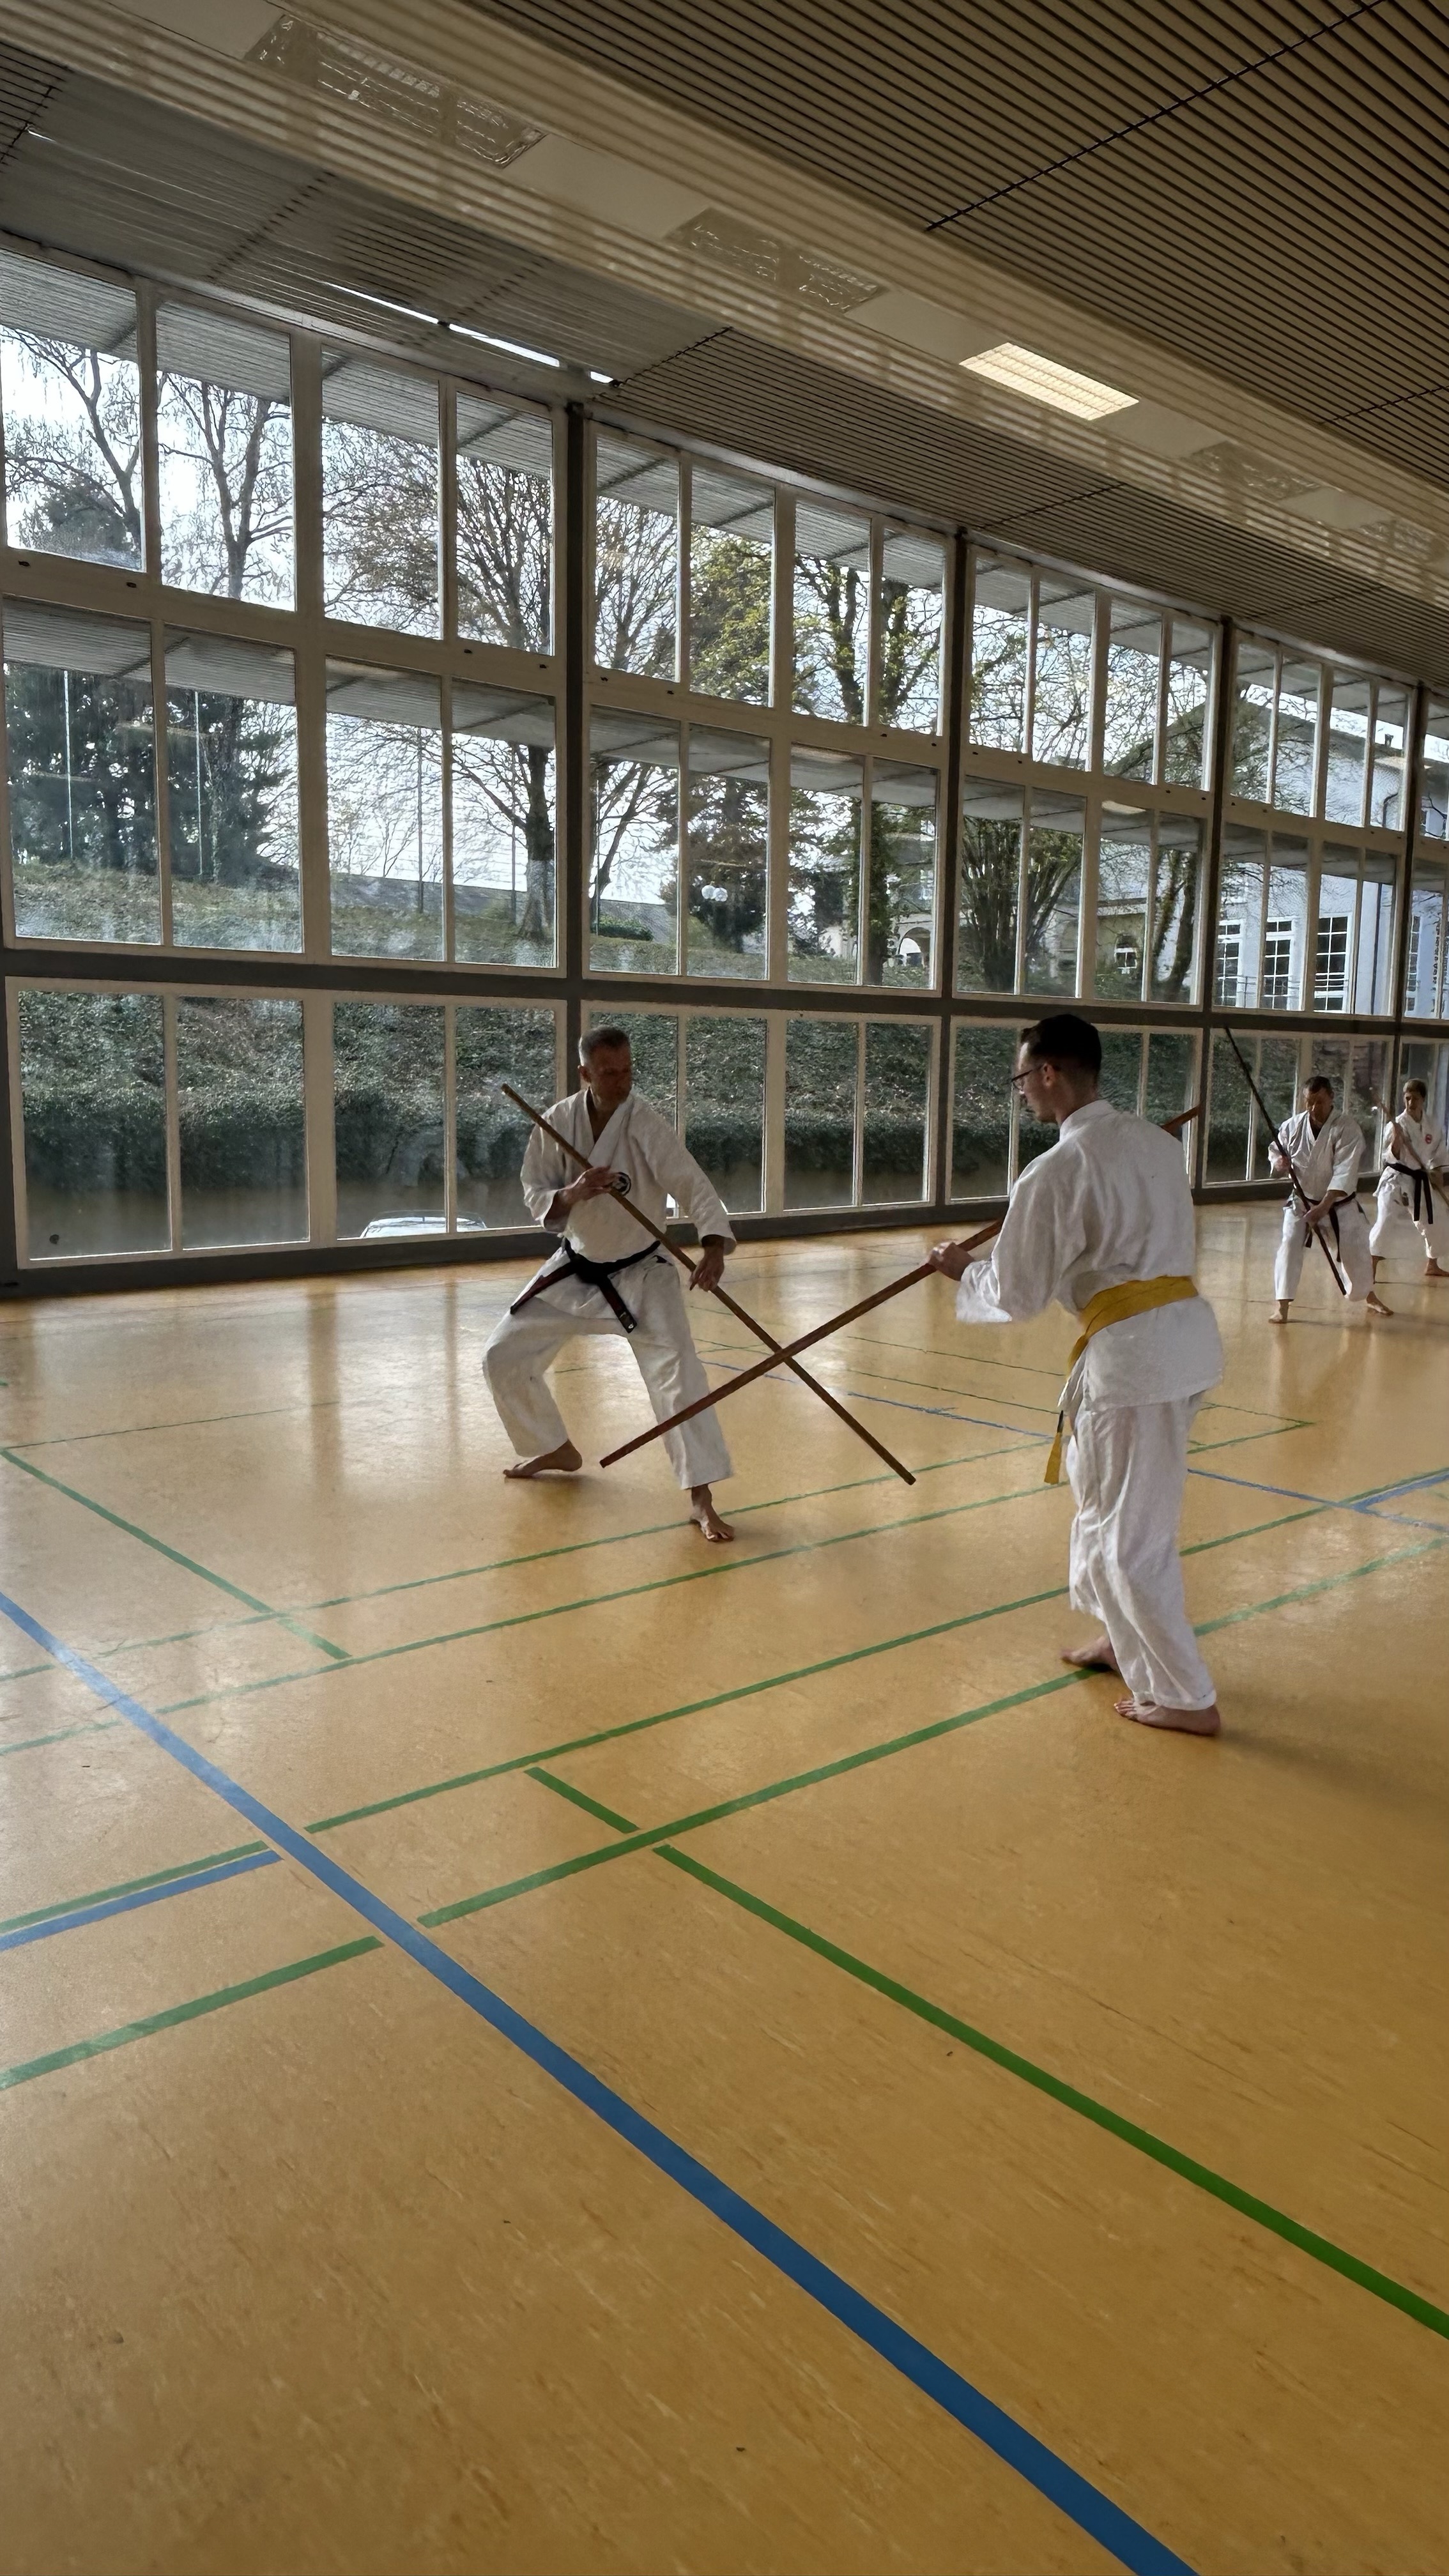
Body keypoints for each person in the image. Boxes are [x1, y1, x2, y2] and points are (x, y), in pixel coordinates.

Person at [928, 1013, 1223, 1736]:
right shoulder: (1156, 1145)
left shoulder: (1056, 1171)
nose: (1022, 1091)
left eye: (1022, 1078)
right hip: (1179, 1342)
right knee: (1100, 1501)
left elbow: (1020, 1292)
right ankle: (1121, 1641)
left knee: (1130, 1539)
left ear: (1050, 1072)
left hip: (1136, 1363)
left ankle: (1186, 1697)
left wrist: (965, 1269)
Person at [483, 1027, 737, 1542]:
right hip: (577, 1266)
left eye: (627, 1071)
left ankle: (702, 1498)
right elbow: (535, 1191)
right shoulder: (557, 1123)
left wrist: (713, 1246)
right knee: (502, 1355)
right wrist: (573, 1193)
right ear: (585, 1074)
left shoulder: (645, 1124)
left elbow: (691, 1183)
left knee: (679, 1376)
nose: (621, 1082)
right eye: (608, 1073)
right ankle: (552, 1446)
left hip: (643, 1272)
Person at [1269, 1074, 1392, 1323]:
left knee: (1355, 1252)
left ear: (1332, 1098)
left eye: (1320, 1102)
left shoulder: (1347, 1129)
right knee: (1289, 1246)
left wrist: (1324, 1206)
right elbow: (1275, 1151)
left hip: (1338, 1204)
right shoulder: (1292, 1126)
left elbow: (1345, 1172)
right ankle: (1282, 1305)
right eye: (1309, 1102)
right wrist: (1279, 1163)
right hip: (1302, 1200)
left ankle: (1368, 1295)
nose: (1314, 1108)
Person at [1370, 1077, 1447, 1283]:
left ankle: (1432, 1264)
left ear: (1423, 1100)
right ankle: (1370, 1268)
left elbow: (1438, 1154)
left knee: (1436, 1219)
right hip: (1395, 1179)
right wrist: (1397, 1139)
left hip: (1419, 1179)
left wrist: (1437, 1172)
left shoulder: (1432, 1126)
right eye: (1407, 1098)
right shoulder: (1396, 1124)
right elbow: (1388, 1157)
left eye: (1415, 1099)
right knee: (1385, 1221)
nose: (1410, 1103)